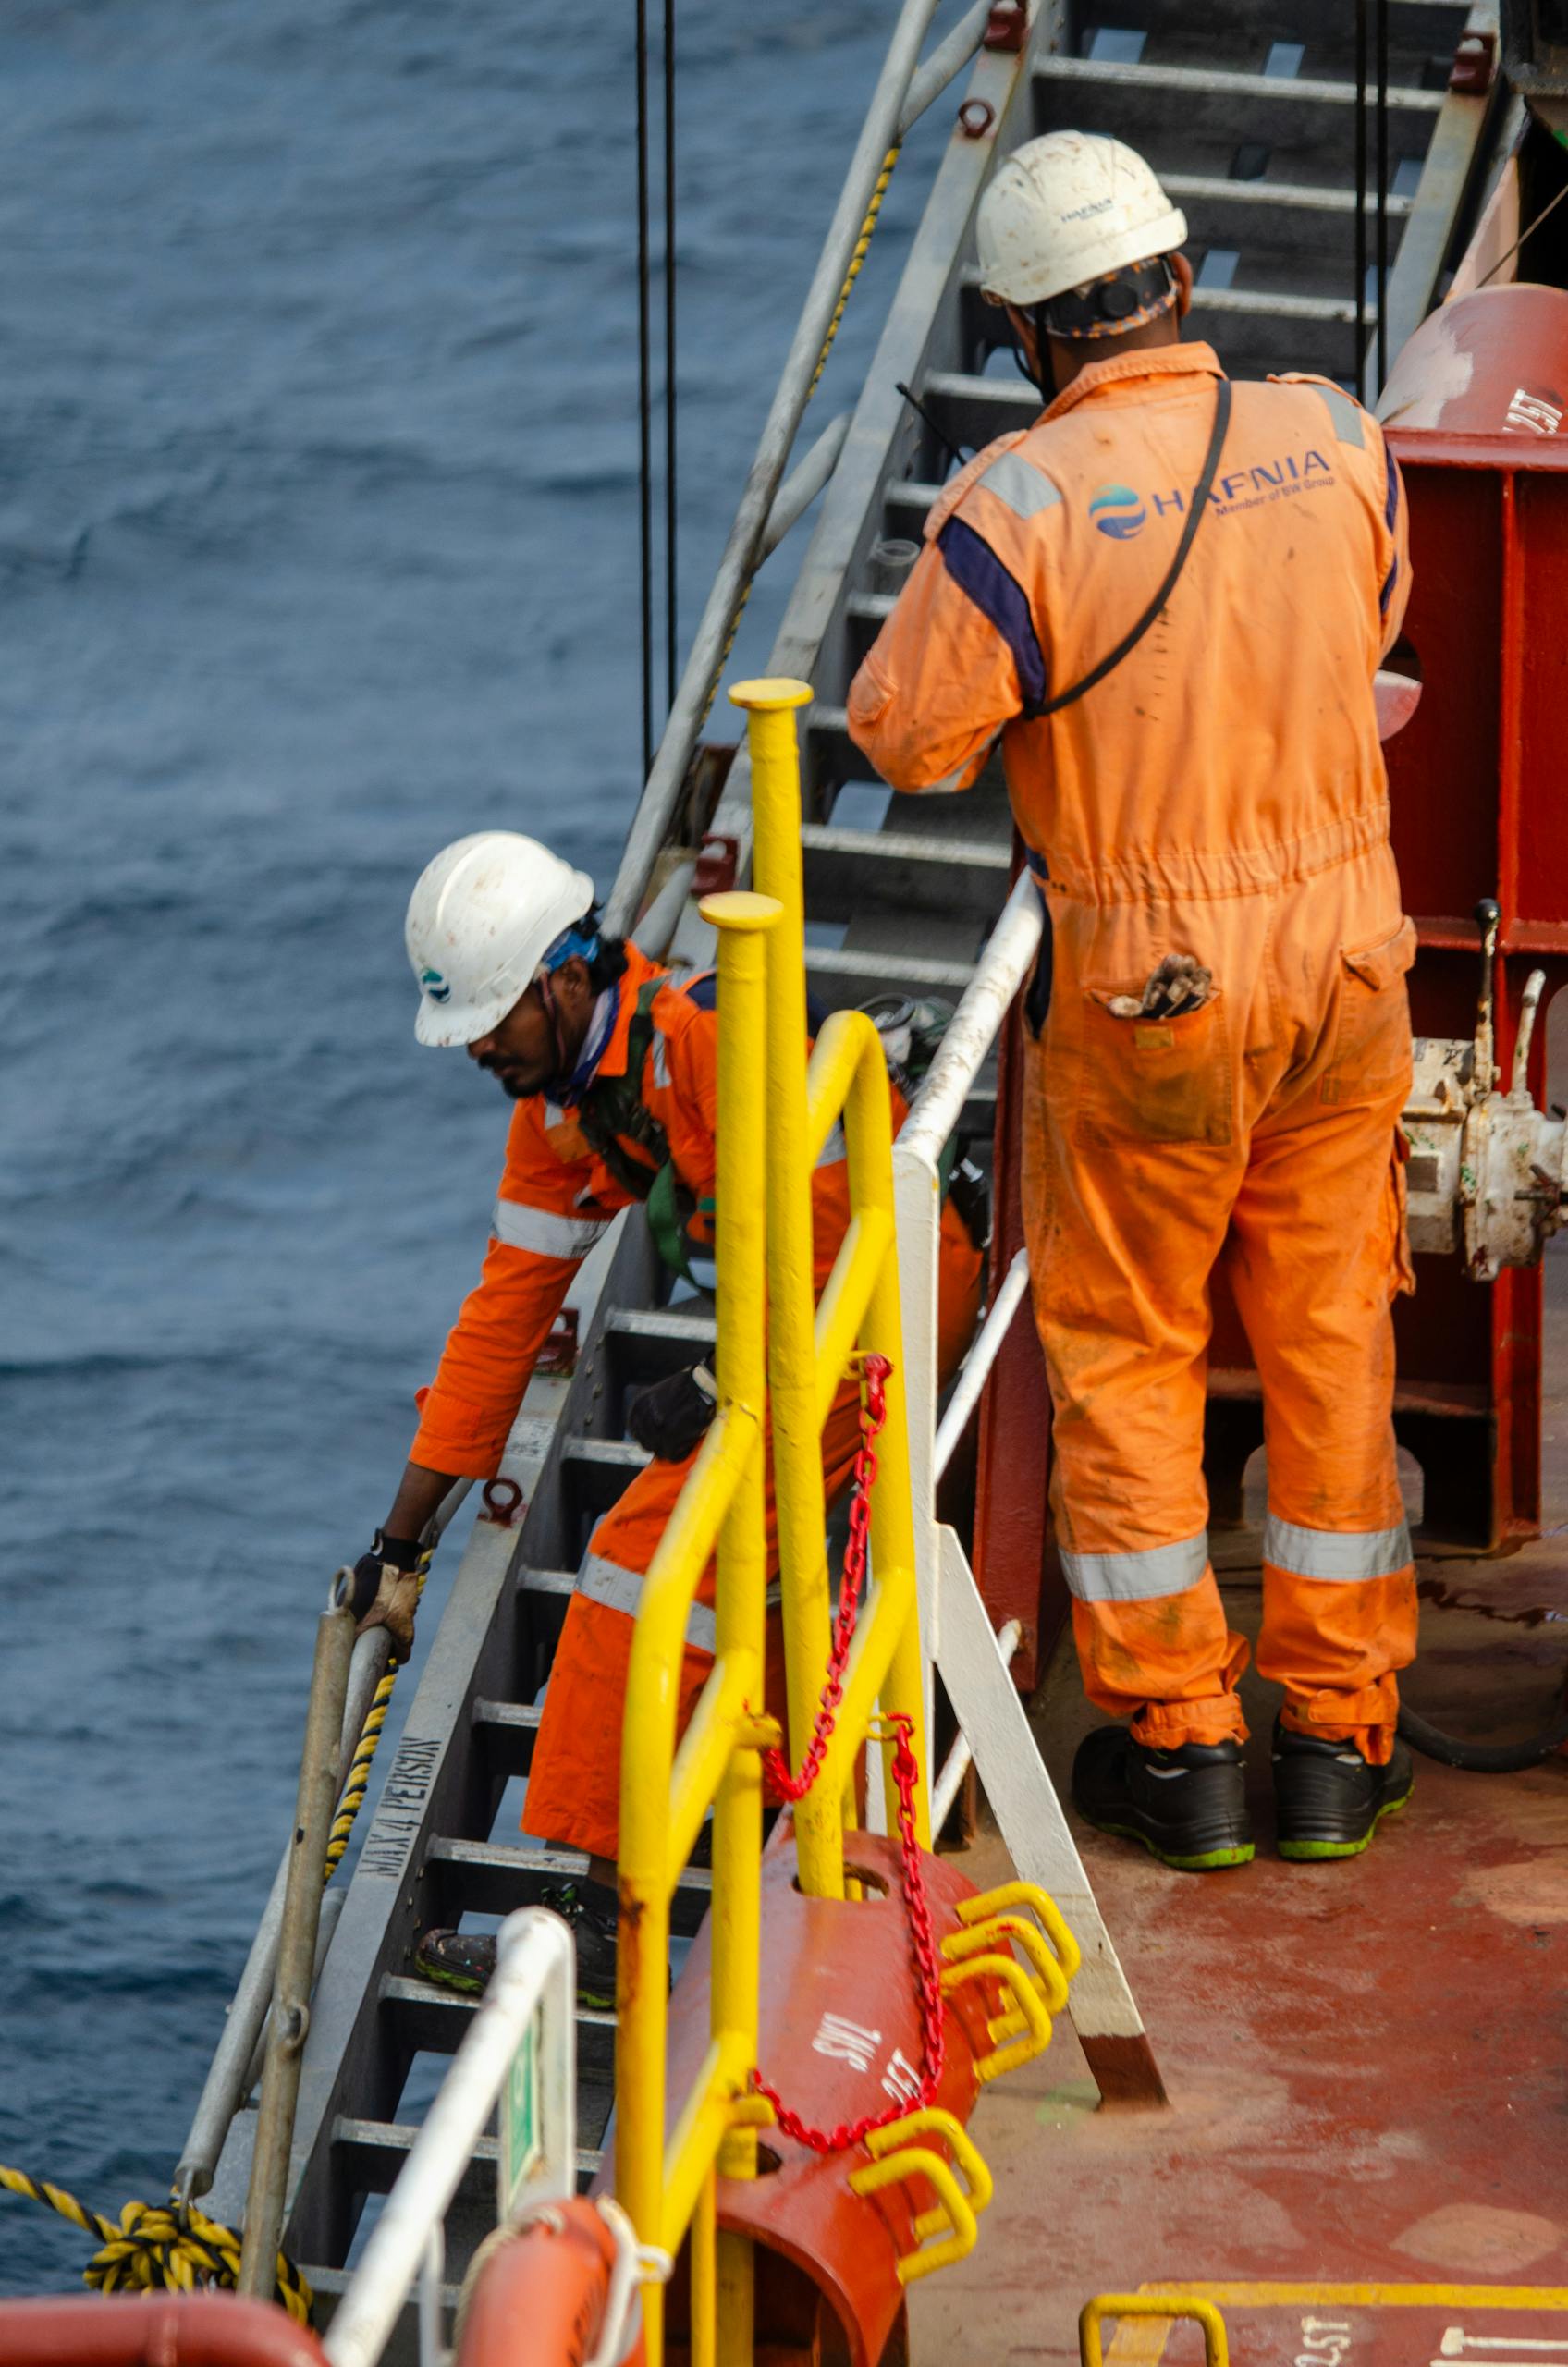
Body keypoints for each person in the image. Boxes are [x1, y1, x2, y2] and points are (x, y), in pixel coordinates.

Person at [846, 129, 1417, 1870]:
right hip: (1345, 954)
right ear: (1178, 281)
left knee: (1127, 1352)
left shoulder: (1019, 503)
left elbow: (901, 734)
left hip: (1153, 985)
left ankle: (1185, 1751)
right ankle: (1339, 1739)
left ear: (1030, 335)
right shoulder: (1335, 435)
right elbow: (1382, 612)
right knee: (1333, 1340)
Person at [349, 830, 984, 2000]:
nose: (482, 1045)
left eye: (495, 1017)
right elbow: (502, 1318)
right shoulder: (562, 1108)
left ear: (566, 979)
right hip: (801, 1320)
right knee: (759, 1572)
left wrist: (712, 1382)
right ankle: (798, 1838)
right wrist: (401, 1540)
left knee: (637, 1561)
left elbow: (833, 1226)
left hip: (871, 1303)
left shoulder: (702, 1033)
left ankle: (599, 1915)